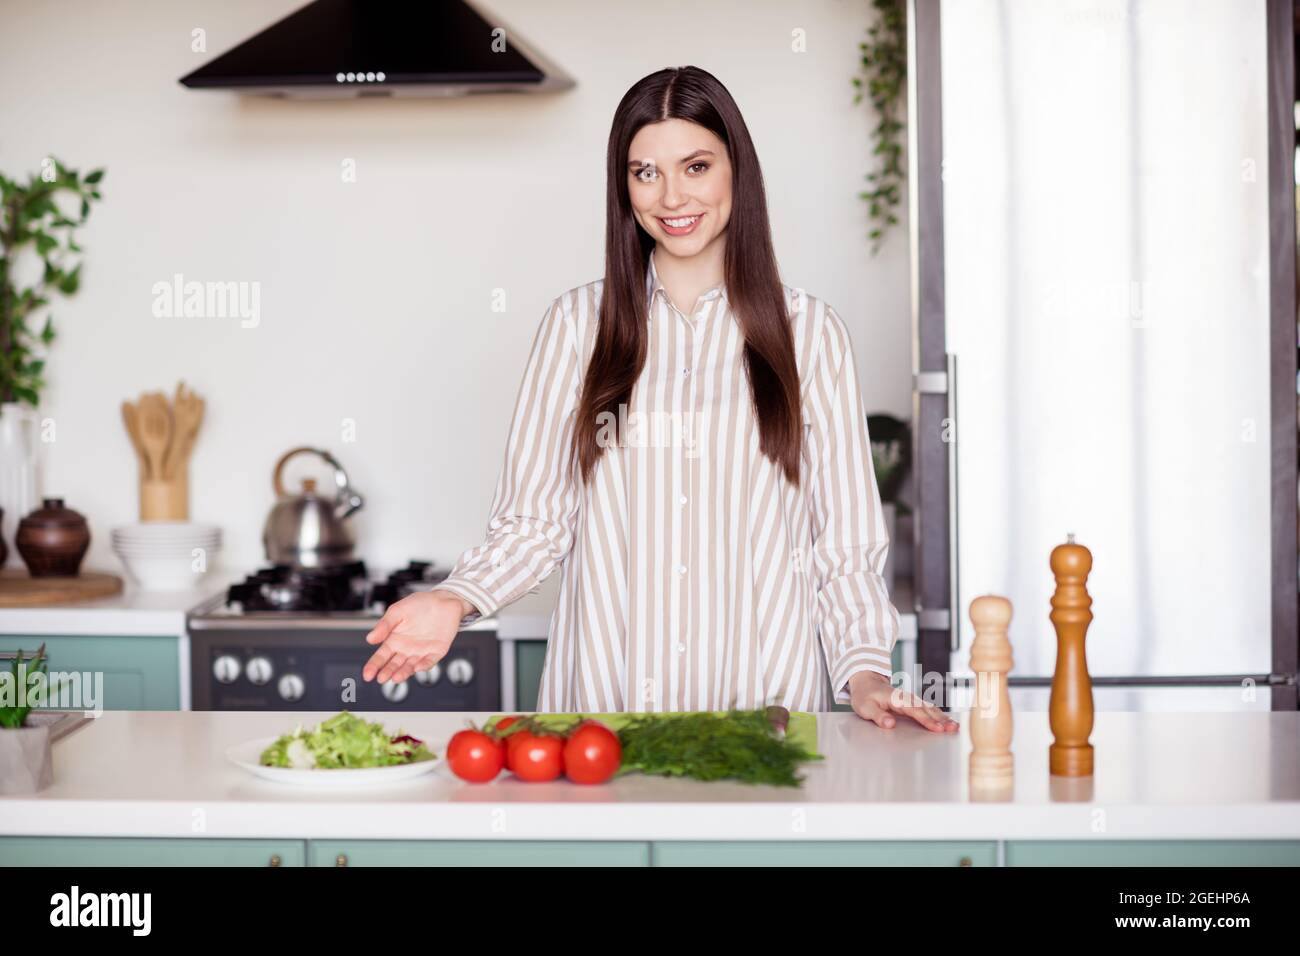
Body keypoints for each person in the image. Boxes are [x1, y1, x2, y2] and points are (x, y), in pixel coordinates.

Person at [363, 65, 957, 733]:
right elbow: (535, 522)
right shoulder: (575, 328)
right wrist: (455, 598)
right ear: (625, 187)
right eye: (646, 172)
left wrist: (867, 675)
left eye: (696, 166)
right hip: (603, 721)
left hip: (766, 719)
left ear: (737, 171)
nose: (671, 196)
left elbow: (842, 547)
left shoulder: (811, 335)